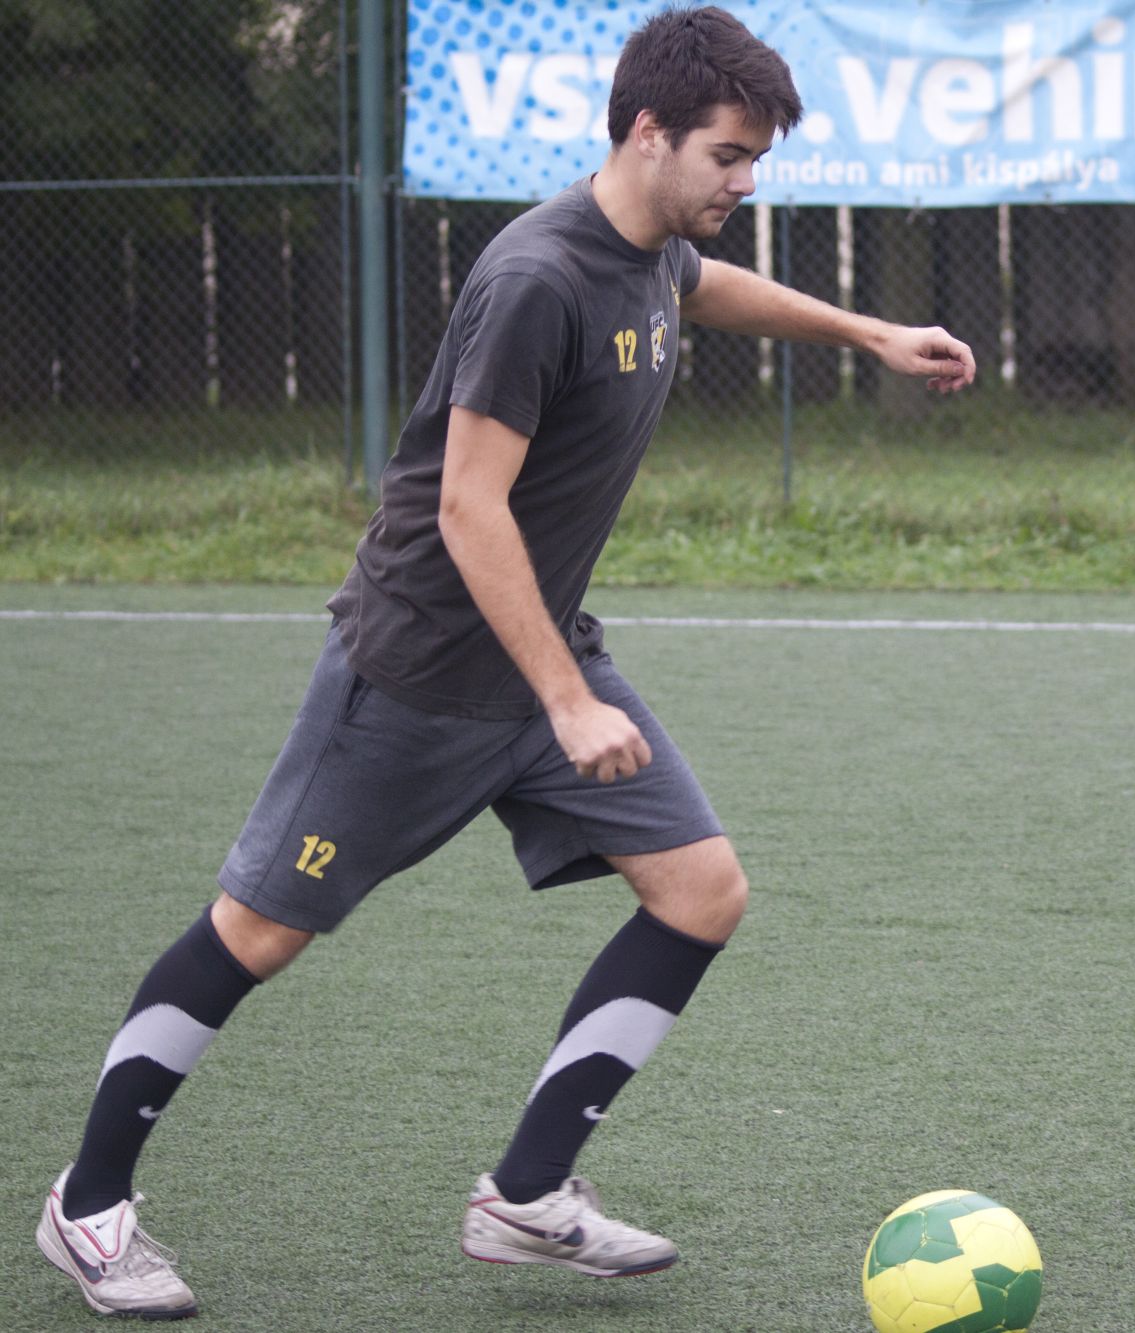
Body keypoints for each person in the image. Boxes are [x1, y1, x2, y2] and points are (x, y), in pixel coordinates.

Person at [35, 6, 974, 1320]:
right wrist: (567, 699)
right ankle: (86, 1206)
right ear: (648, 133)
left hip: (539, 660)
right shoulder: (538, 277)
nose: (745, 182)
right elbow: (467, 507)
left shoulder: (652, 250)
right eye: (729, 154)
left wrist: (869, 334)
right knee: (257, 932)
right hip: (415, 676)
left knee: (701, 890)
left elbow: (707, 287)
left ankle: (527, 1194)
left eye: (755, 158)